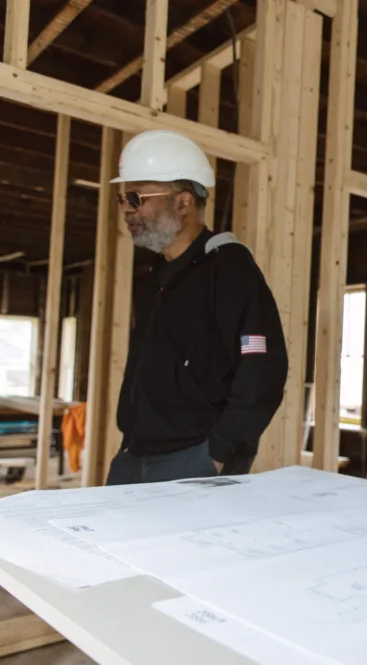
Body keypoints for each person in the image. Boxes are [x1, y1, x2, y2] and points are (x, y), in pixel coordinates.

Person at [105, 129, 288, 485]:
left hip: (193, 460)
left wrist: (221, 452)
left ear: (184, 203)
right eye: (122, 198)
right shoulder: (155, 277)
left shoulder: (229, 268)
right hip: (133, 454)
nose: (127, 207)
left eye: (136, 197)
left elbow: (262, 368)